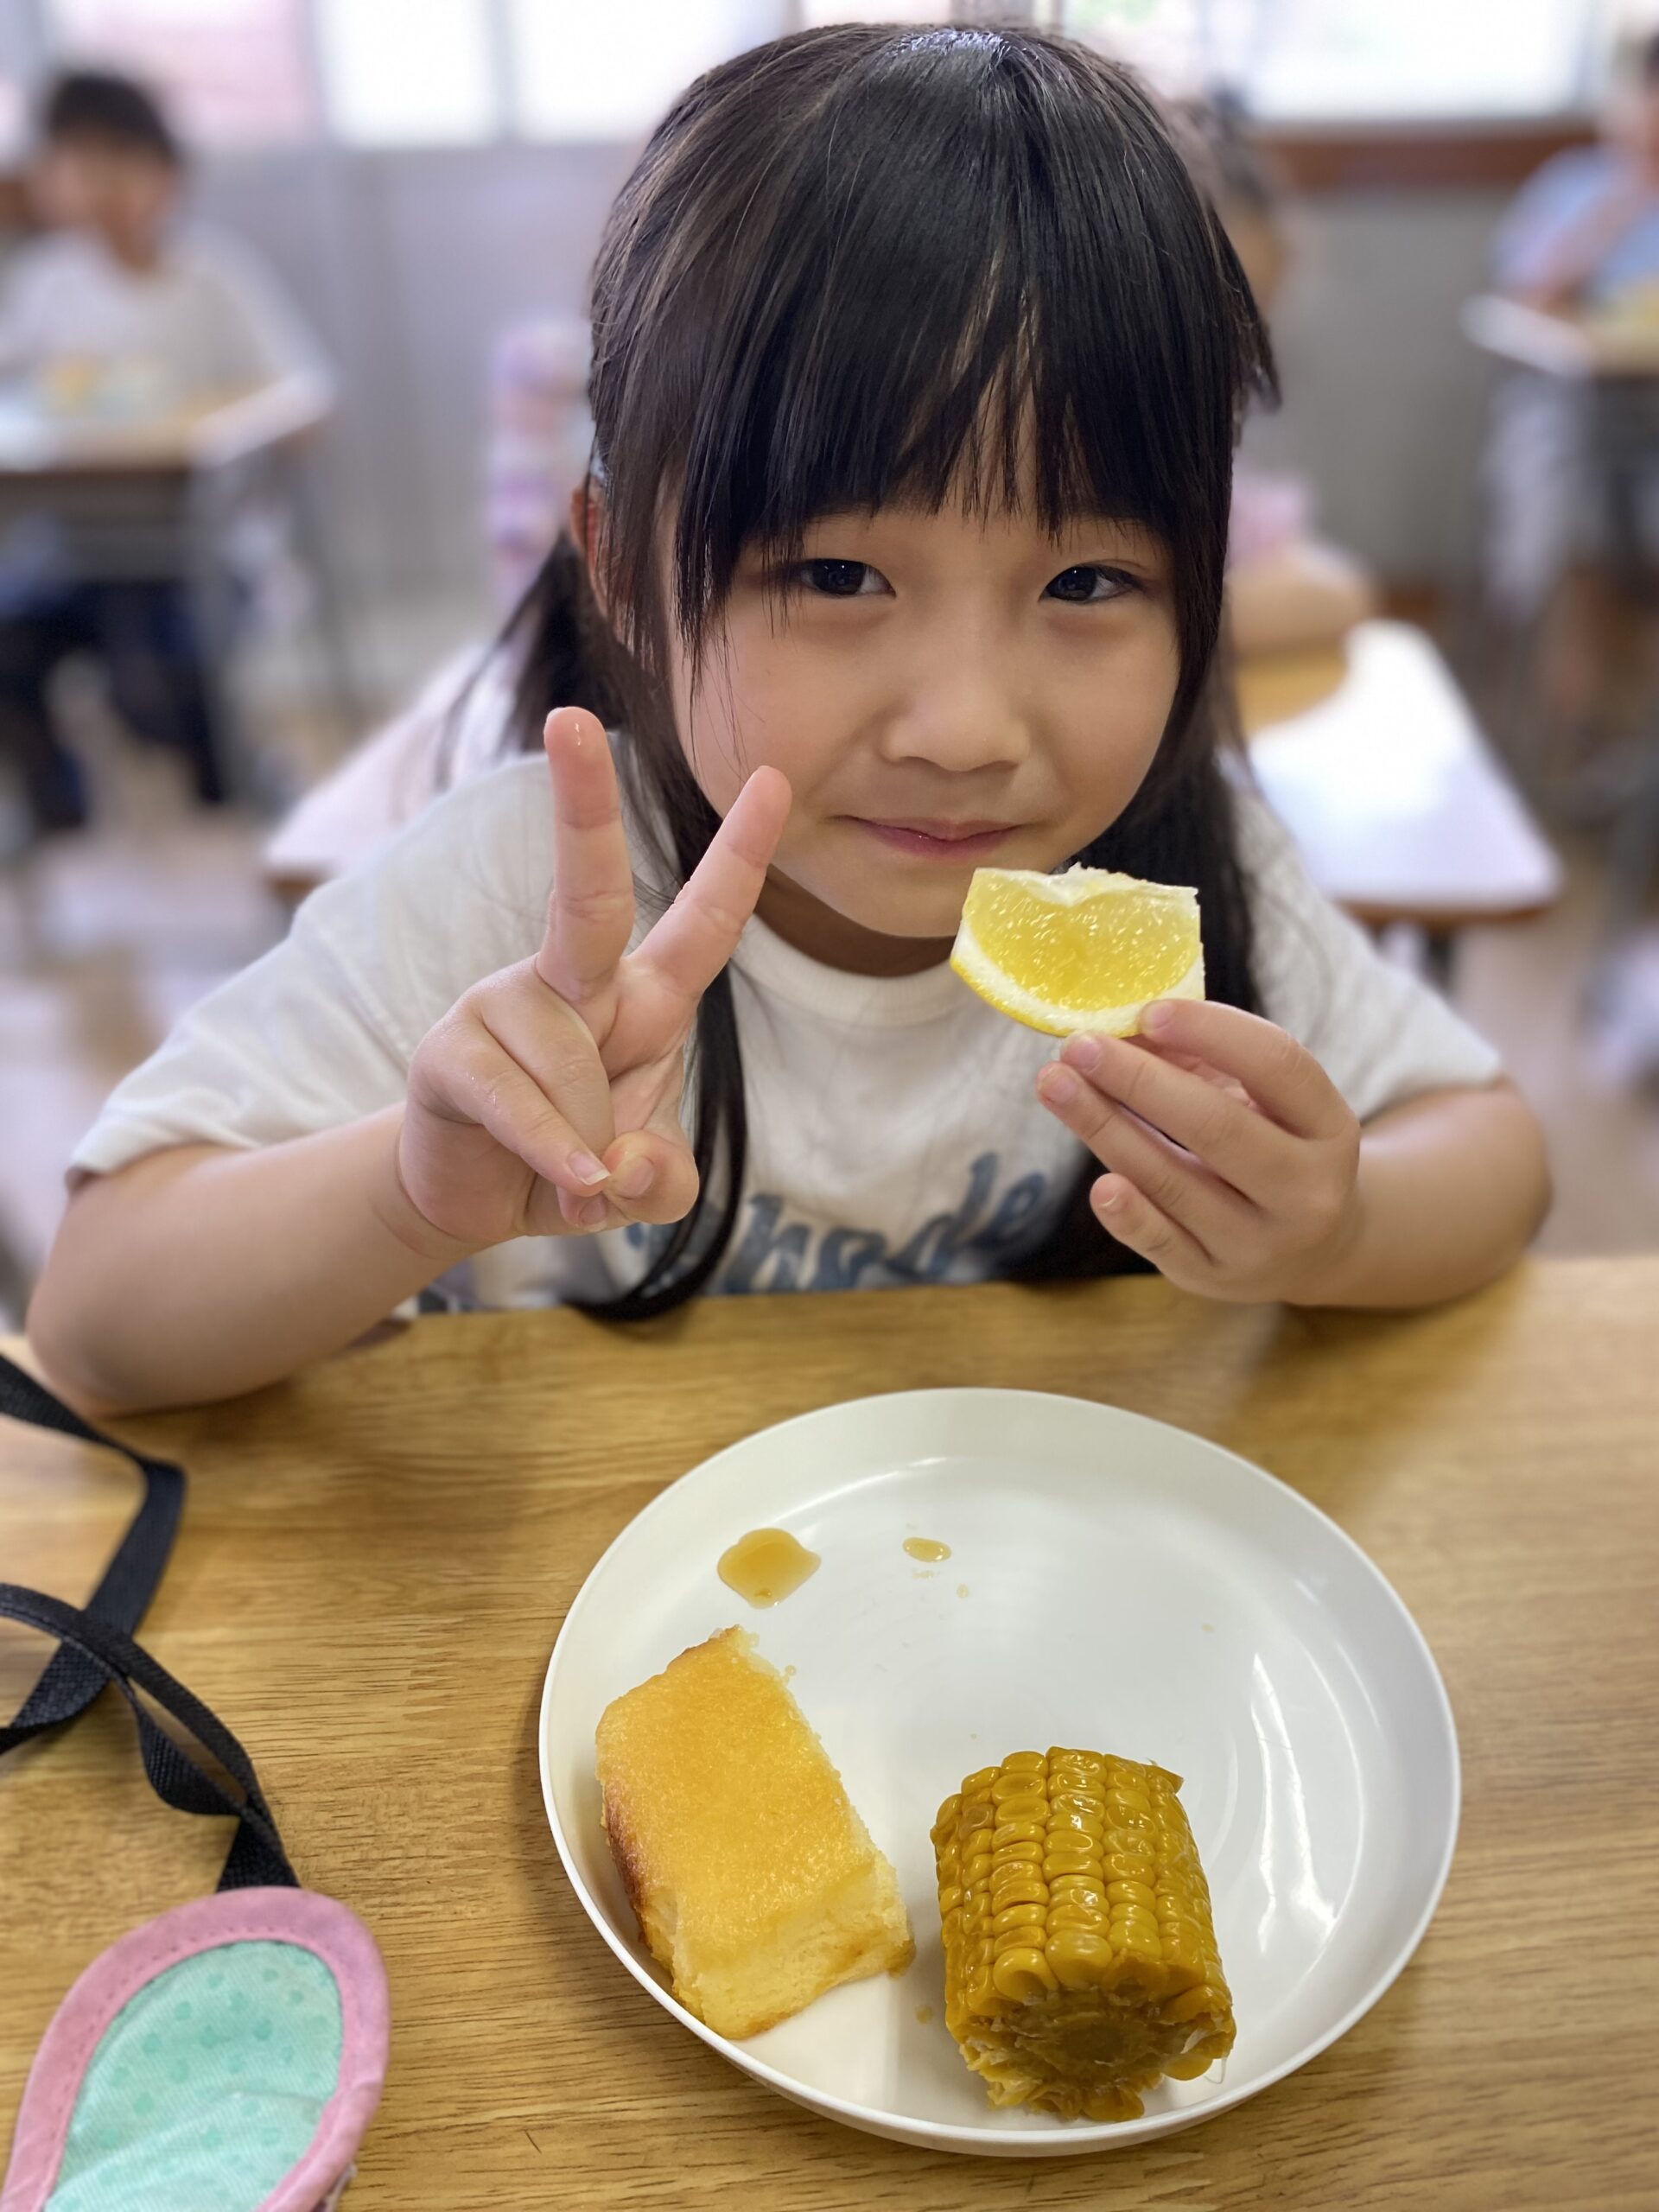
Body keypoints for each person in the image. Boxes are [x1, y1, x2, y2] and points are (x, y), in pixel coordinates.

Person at [28, 25, 1549, 1415]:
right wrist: (407, 1198)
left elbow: (1496, 1155)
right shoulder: (518, 902)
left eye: (1086, 580)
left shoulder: (1183, 878)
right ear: (625, 571)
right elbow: (98, 1318)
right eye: (837, 576)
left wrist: (1341, 1225)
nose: (965, 727)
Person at [0, 68, 327, 830]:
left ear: (170, 173)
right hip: (79, 552)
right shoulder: (45, 285)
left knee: (152, 679)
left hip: (200, 552)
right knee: (10, 640)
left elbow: (306, 401)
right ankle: (56, 821)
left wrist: (218, 431)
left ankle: (248, 785)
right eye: (77, 163)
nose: (101, 185)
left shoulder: (211, 277)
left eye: (121, 159)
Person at [1483, 30, 1659, 718]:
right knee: (1563, 500)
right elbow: (1525, 292)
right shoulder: (1574, 183)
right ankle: (1567, 711)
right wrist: (1627, 193)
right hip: (1566, 406)